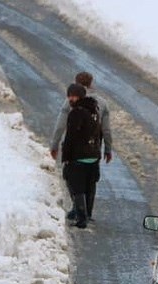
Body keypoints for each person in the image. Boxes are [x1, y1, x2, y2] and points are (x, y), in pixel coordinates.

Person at [50, 71, 112, 221]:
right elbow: (106, 129)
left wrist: (55, 145)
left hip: (76, 151)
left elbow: (60, 126)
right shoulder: (102, 103)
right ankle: (88, 212)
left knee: (72, 177)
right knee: (91, 180)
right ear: (91, 83)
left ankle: (78, 209)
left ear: (76, 83)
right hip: (94, 148)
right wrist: (108, 148)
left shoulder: (70, 101)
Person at [61, 83, 103, 229]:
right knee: (89, 185)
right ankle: (87, 213)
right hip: (93, 156)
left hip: (78, 157)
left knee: (75, 185)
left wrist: (66, 157)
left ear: (79, 96)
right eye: (69, 95)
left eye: (72, 96)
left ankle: (81, 217)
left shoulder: (76, 113)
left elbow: (70, 137)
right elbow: (99, 133)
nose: (70, 98)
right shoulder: (94, 111)